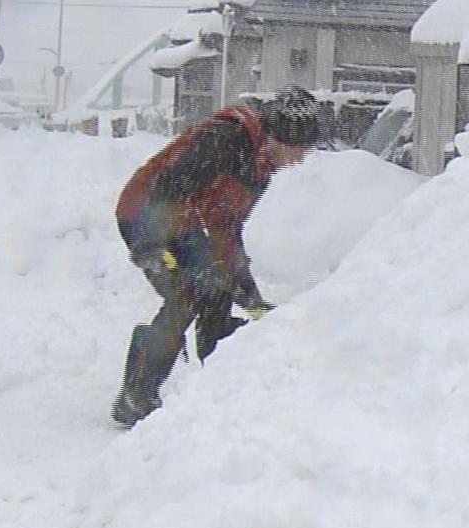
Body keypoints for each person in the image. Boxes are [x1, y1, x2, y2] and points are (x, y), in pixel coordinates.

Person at [110, 86, 324, 427]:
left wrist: (246, 291)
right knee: (187, 294)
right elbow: (169, 186)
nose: (299, 159)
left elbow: (225, 227)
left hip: (185, 221)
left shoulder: (259, 166)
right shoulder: (226, 139)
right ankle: (136, 395)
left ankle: (222, 388)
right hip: (146, 215)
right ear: (283, 134)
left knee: (218, 291)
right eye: (299, 148)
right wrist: (153, 248)